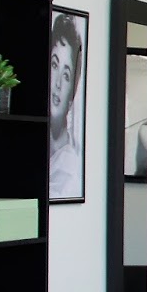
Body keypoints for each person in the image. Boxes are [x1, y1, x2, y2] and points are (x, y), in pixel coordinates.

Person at [48, 12, 83, 199]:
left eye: (66, 75)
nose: (58, 83)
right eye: (54, 65)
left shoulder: (69, 174)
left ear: (72, 95)